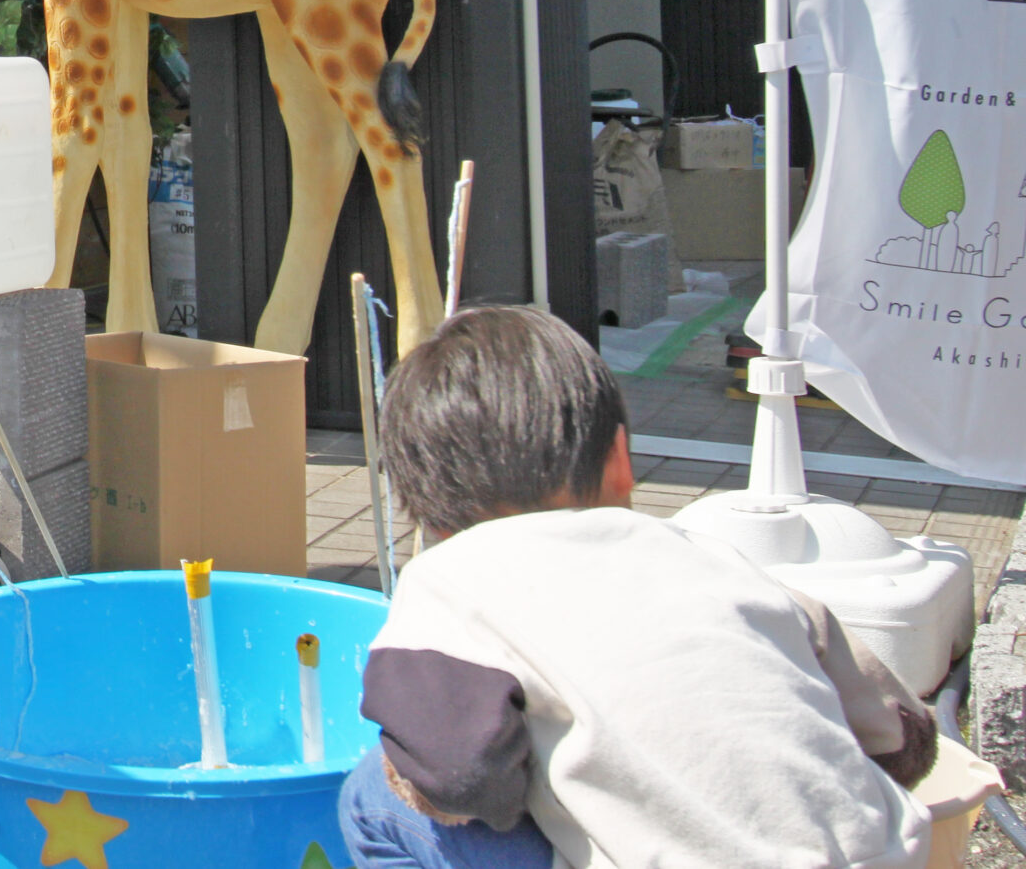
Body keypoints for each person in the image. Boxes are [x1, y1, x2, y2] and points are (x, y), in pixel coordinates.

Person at [343, 304, 939, 868]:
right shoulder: (715, 557)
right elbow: (903, 739)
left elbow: (459, 779)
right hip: (884, 854)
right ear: (621, 460)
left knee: (372, 795)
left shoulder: (449, 581)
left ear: (428, 512)